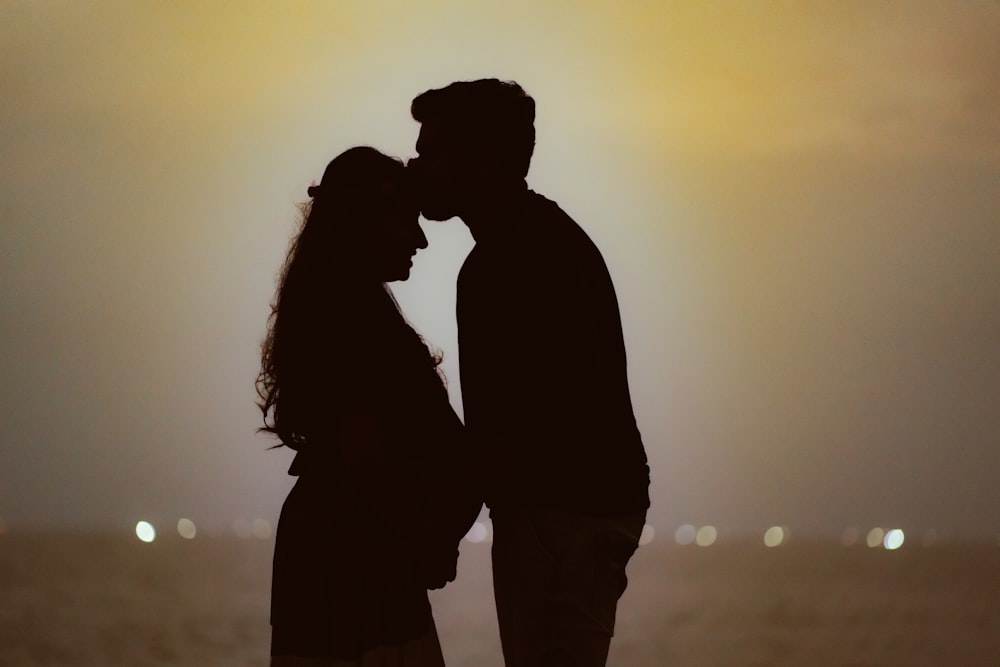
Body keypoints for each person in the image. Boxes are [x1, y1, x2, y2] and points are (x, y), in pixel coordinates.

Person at [409, 79, 651, 667]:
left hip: (563, 516)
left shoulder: (509, 259)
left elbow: (522, 428)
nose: (419, 168)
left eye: (432, 152)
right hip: (574, 510)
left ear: (481, 156)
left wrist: (443, 527)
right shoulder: (542, 240)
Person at [257, 146, 481, 666]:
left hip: (351, 552)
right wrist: (425, 540)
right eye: (405, 223)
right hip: (355, 561)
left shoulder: (344, 310)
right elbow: (364, 455)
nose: (421, 240)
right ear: (361, 225)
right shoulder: (350, 322)